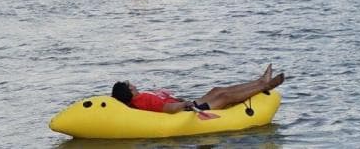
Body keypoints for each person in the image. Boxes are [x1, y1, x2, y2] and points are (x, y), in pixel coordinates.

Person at [111, 64, 285, 113]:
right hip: (189, 111)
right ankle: (264, 85)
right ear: (129, 91)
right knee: (225, 97)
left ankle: (259, 82)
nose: (131, 83)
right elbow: (167, 109)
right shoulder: (142, 99)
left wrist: (179, 100)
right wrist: (183, 103)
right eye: (128, 83)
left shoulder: (138, 99)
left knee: (217, 90)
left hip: (189, 106)